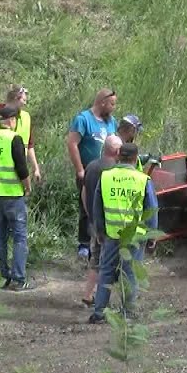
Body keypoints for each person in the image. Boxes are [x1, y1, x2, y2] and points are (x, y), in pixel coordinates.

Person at [89, 143, 158, 324]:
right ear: (136, 159)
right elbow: (151, 210)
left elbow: (97, 208)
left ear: (118, 155)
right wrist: (151, 236)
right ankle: (127, 313)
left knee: (106, 272)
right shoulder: (143, 180)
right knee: (130, 274)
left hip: (111, 235)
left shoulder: (106, 177)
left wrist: (99, 231)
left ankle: (99, 313)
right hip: (134, 236)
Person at [0, 105, 33, 291]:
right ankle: (19, 279)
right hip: (14, 194)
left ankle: (3, 276)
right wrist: (27, 187)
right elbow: (22, 167)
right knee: (19, 236)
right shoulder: (14, 138)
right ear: (12, 120)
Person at [66, 89, 118, 261]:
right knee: (86, 206)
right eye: (112, 104)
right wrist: (80, 169)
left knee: (105, 207)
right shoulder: (83, 120)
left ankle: (103, 241)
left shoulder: (111, 122)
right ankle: (84, 244)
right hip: (89, 172)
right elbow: (72, 144)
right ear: (102, 102)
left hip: (108, 173)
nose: (114, 108)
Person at [79, 135, 122, 306]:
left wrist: (90, 213)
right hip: (109, 224)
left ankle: (88, 294)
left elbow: (84, 192)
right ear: (117, 151)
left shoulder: (91, 166)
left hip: (94, 222)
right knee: (109, 263)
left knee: (95, 260)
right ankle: (104, 301)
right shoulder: (114, 171)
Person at [0, 84, 42, 185]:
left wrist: (36, 168)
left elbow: (29, 145)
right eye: (23, 100)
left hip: (20, 172)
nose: (25, 103)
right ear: (16, 98)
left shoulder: (26, 117)